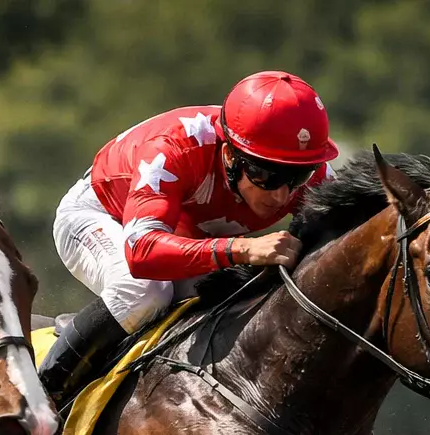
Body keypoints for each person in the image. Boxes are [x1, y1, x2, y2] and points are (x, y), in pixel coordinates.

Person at [40, 70, 338, 405]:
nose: (283, 195)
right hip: (102, 218)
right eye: (267, 175)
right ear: (229, 156)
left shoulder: (308, 174)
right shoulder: (173, 149)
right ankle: (45, 391)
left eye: (298, 175)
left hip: (186, 235)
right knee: (147, 292)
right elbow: (142, 254)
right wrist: (242, 247)